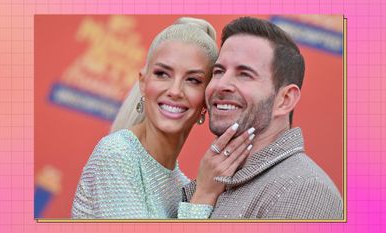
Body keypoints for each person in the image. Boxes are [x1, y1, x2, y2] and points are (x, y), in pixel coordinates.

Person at [71, 17, 254, 219]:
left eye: (193, 80)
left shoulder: (183, 187)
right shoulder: (116, 155)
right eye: (162, 74)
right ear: (143, 82)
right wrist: (204, 195)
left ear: (206, 99)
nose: (175, 91)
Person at [181, 17, 343, 219]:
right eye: (219, 71)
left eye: (244, 74)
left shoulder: (303, 191)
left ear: (285, 99)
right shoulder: (216, 179)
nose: (221, 84)